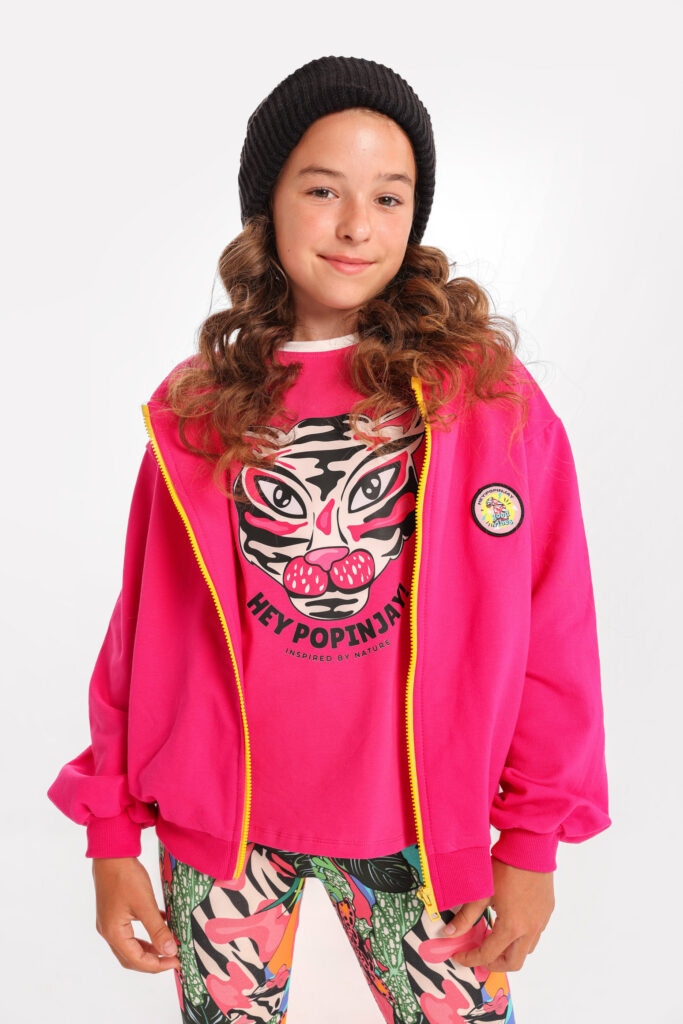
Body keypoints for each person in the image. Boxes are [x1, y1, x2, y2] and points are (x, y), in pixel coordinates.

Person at [47, 55, 611, 1024]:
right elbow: (140, 631)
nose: (356, 226)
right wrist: (109, 833)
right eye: (322, 190)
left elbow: (553, 622)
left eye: (388, 197)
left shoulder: (483, 397)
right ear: (265, 205)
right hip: (218, 836)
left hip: (416, 831)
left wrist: (530, 840)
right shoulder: (197, 408)